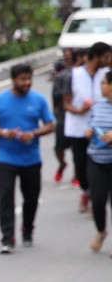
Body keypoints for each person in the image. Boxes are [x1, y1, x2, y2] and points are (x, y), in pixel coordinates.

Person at [0, 63, 55, 253]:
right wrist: (4, 132)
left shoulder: (38, 100)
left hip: (31, 159)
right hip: (6, 160)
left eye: (29, 79)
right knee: (6, 199)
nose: (27, 82)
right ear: (13, 80)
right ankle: (7, 239)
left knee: (31, 198)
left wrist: (34, 133)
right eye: (22, 79)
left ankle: (27, 229)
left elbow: (50, 124)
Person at [63, 41, 112, 213]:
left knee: (98, 166)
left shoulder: (107, 75)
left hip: (103, 131)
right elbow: (66, 103)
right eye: (106, 56)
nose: (109, 60)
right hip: (79, 129)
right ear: (96, 56)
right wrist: (80, 110)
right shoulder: (74, 75)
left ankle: (96, 199)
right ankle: (87, 191)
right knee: (80, 166)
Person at [84, 71, 112, 253]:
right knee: (98, 202)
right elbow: (90, 125)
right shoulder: (97, 106)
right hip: (96, 159)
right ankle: (101, 231)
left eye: (103, 83)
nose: (100, 86)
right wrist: (89, 132)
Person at [51, 51, 78, 183]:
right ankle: (62, 164)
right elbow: (55, 96)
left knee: (77, 148)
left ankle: (76, 175)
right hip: (63, 116)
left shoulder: (83, 76)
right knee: (58, 148)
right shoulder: (62, 76)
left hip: (79, 117)